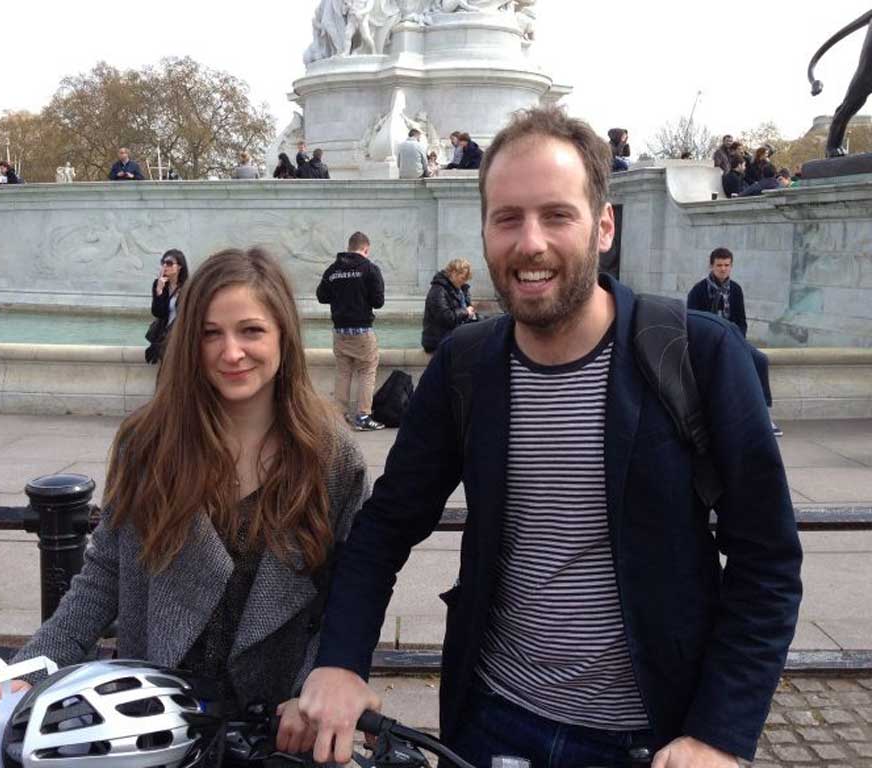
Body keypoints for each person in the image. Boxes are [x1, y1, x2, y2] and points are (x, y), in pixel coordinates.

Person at [298, 107, 801, 768]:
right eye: (507, 218)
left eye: (557, 215)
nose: (529, 242)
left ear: (604, 225)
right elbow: (386, 524)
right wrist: (339, 660)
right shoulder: (466, 364)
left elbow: (767, 561)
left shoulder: (700, 355)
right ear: (484, 230)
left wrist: (720, 734)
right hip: (490, 725)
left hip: (655, 739)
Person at [0, 248, 370, 755]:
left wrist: (315, 687)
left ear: (283, 335)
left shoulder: (330, 458)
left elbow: (349, 596)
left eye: (251, 330)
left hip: (277, 730)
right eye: (209, 333)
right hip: (153, 727)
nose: (231, 352)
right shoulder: (150, 443)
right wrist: (34, 665)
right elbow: (105, 573)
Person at [688, 247, 782, 436]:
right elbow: (691, 322)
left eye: (727, 265)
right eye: (719, 265)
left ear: (731, 266)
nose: (723, 269)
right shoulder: (698, 290)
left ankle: (764, 414)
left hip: (733, 338)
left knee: (760, 360)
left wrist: (737, 340)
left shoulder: (736, 290)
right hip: (708, 342)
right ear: (711, 266)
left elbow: (742, 321)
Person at [316, 231, 386, 432]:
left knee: (343, 372)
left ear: (349, 247)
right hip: (361, 330)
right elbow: (378, 302)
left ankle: (338, 415)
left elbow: (322, 296)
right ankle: (363, 416)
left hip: (339, 330)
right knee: (366, 371)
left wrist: (341, 295)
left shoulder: (333, 269)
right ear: (366, 249)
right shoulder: (370, 269)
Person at [421, 258, 477, 353]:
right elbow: (446, 318)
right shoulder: (438, 290)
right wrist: (466, 311)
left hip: (453, 335)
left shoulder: (461, 289)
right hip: (436, 339)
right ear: (453, 273)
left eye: (466, 279)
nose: (464, 282)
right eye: (463, 278)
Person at [146, 248, 189, 365]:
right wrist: (159, 290)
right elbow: (158, 313)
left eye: (169, 263)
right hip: (165, 333)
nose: (165, 266)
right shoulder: (159, 284)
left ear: (179, 266)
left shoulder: (188, 286)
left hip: (181, 333)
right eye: (163, 262)